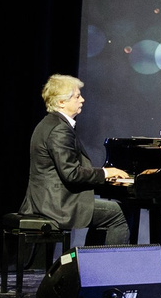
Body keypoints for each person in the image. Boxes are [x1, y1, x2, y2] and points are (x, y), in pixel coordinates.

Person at [20, 74, 134, 244]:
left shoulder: (50, 123)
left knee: (108, 214)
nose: (82, 100)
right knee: (118, 214)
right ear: (61, 102)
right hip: (56, 204)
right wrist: (105, 173)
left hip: (47, 199)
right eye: (77, 96)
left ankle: (93, 266)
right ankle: (109, 269)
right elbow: (71, 174)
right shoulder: (59, 130)